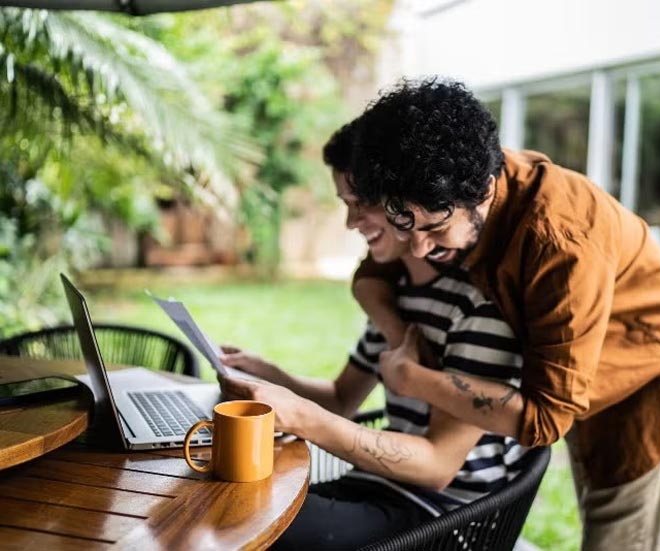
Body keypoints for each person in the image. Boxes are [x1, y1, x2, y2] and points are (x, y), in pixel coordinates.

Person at [348, 78, 660, 551]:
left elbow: (545, 420)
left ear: (485, 191)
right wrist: (400, 333)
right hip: (566, 368)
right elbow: (372, 273)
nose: (418, 248)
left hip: (646, 374)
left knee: (619, 532)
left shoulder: (560, 245)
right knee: (640, 530)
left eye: (436, 230)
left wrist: (412, 378)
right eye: (405, 227)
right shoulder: (436, 185)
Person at [217, 121, 540, 550]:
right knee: (232, 501)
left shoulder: (477, 307)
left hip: (444, 518)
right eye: (346, 203)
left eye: (363, 202)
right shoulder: (396, 296)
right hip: (382, 487)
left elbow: (437, 467)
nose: (351, 221)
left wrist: (303, 417)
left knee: (245, 519)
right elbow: (341, 398)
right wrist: (268, 376)